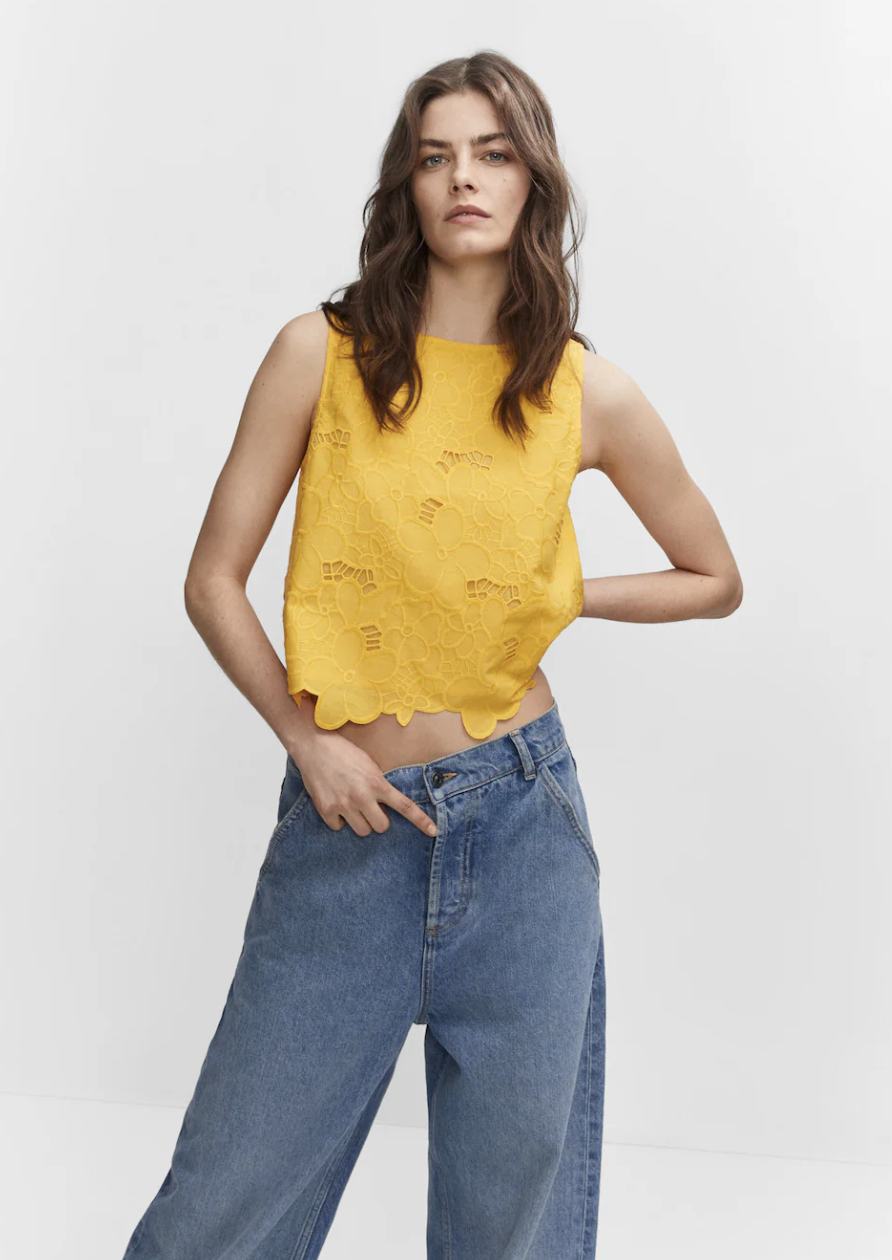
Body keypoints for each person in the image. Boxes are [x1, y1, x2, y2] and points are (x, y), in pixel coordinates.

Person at [121, 50, 743, 1260]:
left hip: (524, 830)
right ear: (406, 186)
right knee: (218, 1216)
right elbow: (212, 579)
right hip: (348, 826)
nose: (464, 178)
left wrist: (563, 593)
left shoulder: (583, 391)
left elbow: (713, 576)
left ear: (533, 183)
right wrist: (306, 745)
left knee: (510, 1228)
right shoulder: (324, 352)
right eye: (435, 154)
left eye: (494, 153)